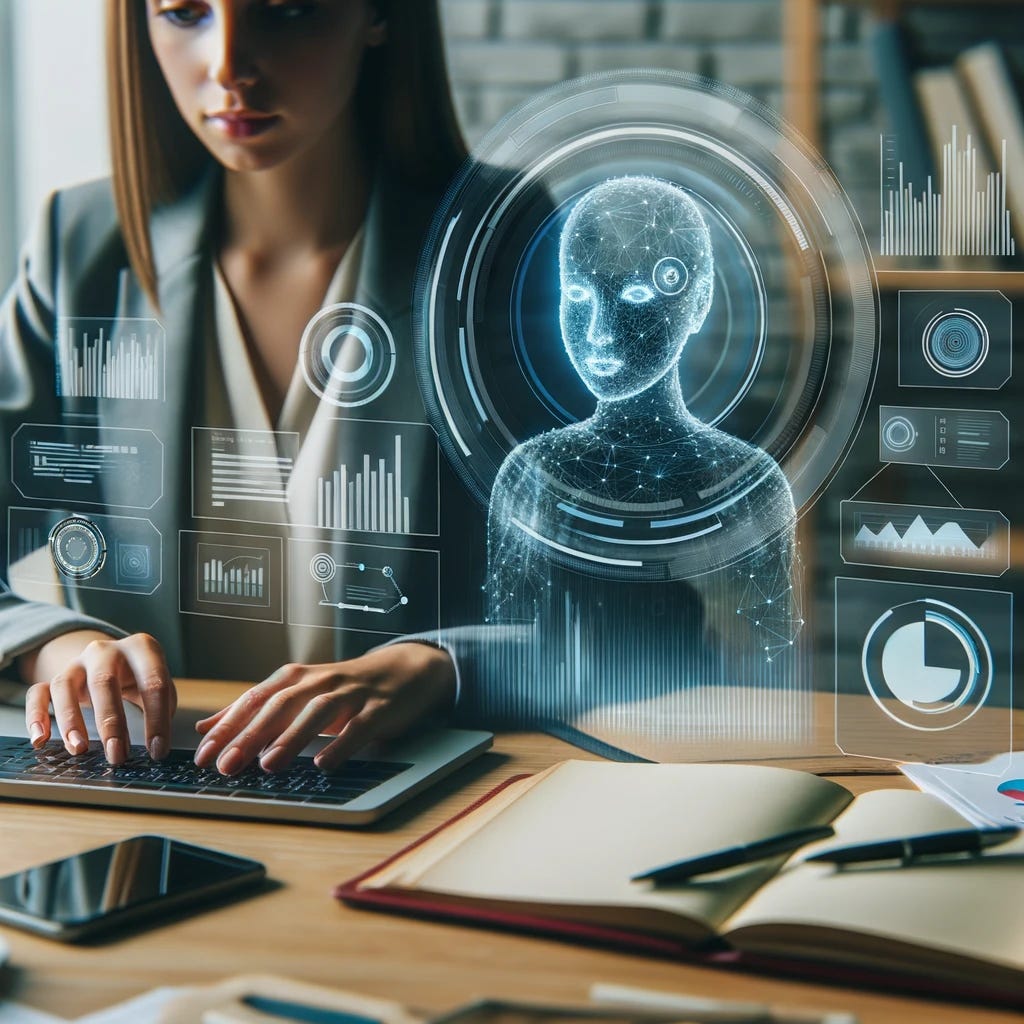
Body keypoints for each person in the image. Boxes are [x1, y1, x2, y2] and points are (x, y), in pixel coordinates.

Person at [0, 0, 481, 776]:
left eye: (287, 10)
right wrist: (56, 647)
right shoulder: (79, 247)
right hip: (140, 784)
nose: (227, 65)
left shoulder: (501, 251)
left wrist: (439, 666)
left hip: (395, 797)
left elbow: (638, 605)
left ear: (381, 14)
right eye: (185, 12)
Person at [483, 177, 804, 742]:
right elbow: (500, 665)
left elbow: (769, 681)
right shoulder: (532, 474)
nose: (601, 332)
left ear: (698, 301)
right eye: (578, 298)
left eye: (633, 296)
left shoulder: (748, 484)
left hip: (711, 754)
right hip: (556, 758)